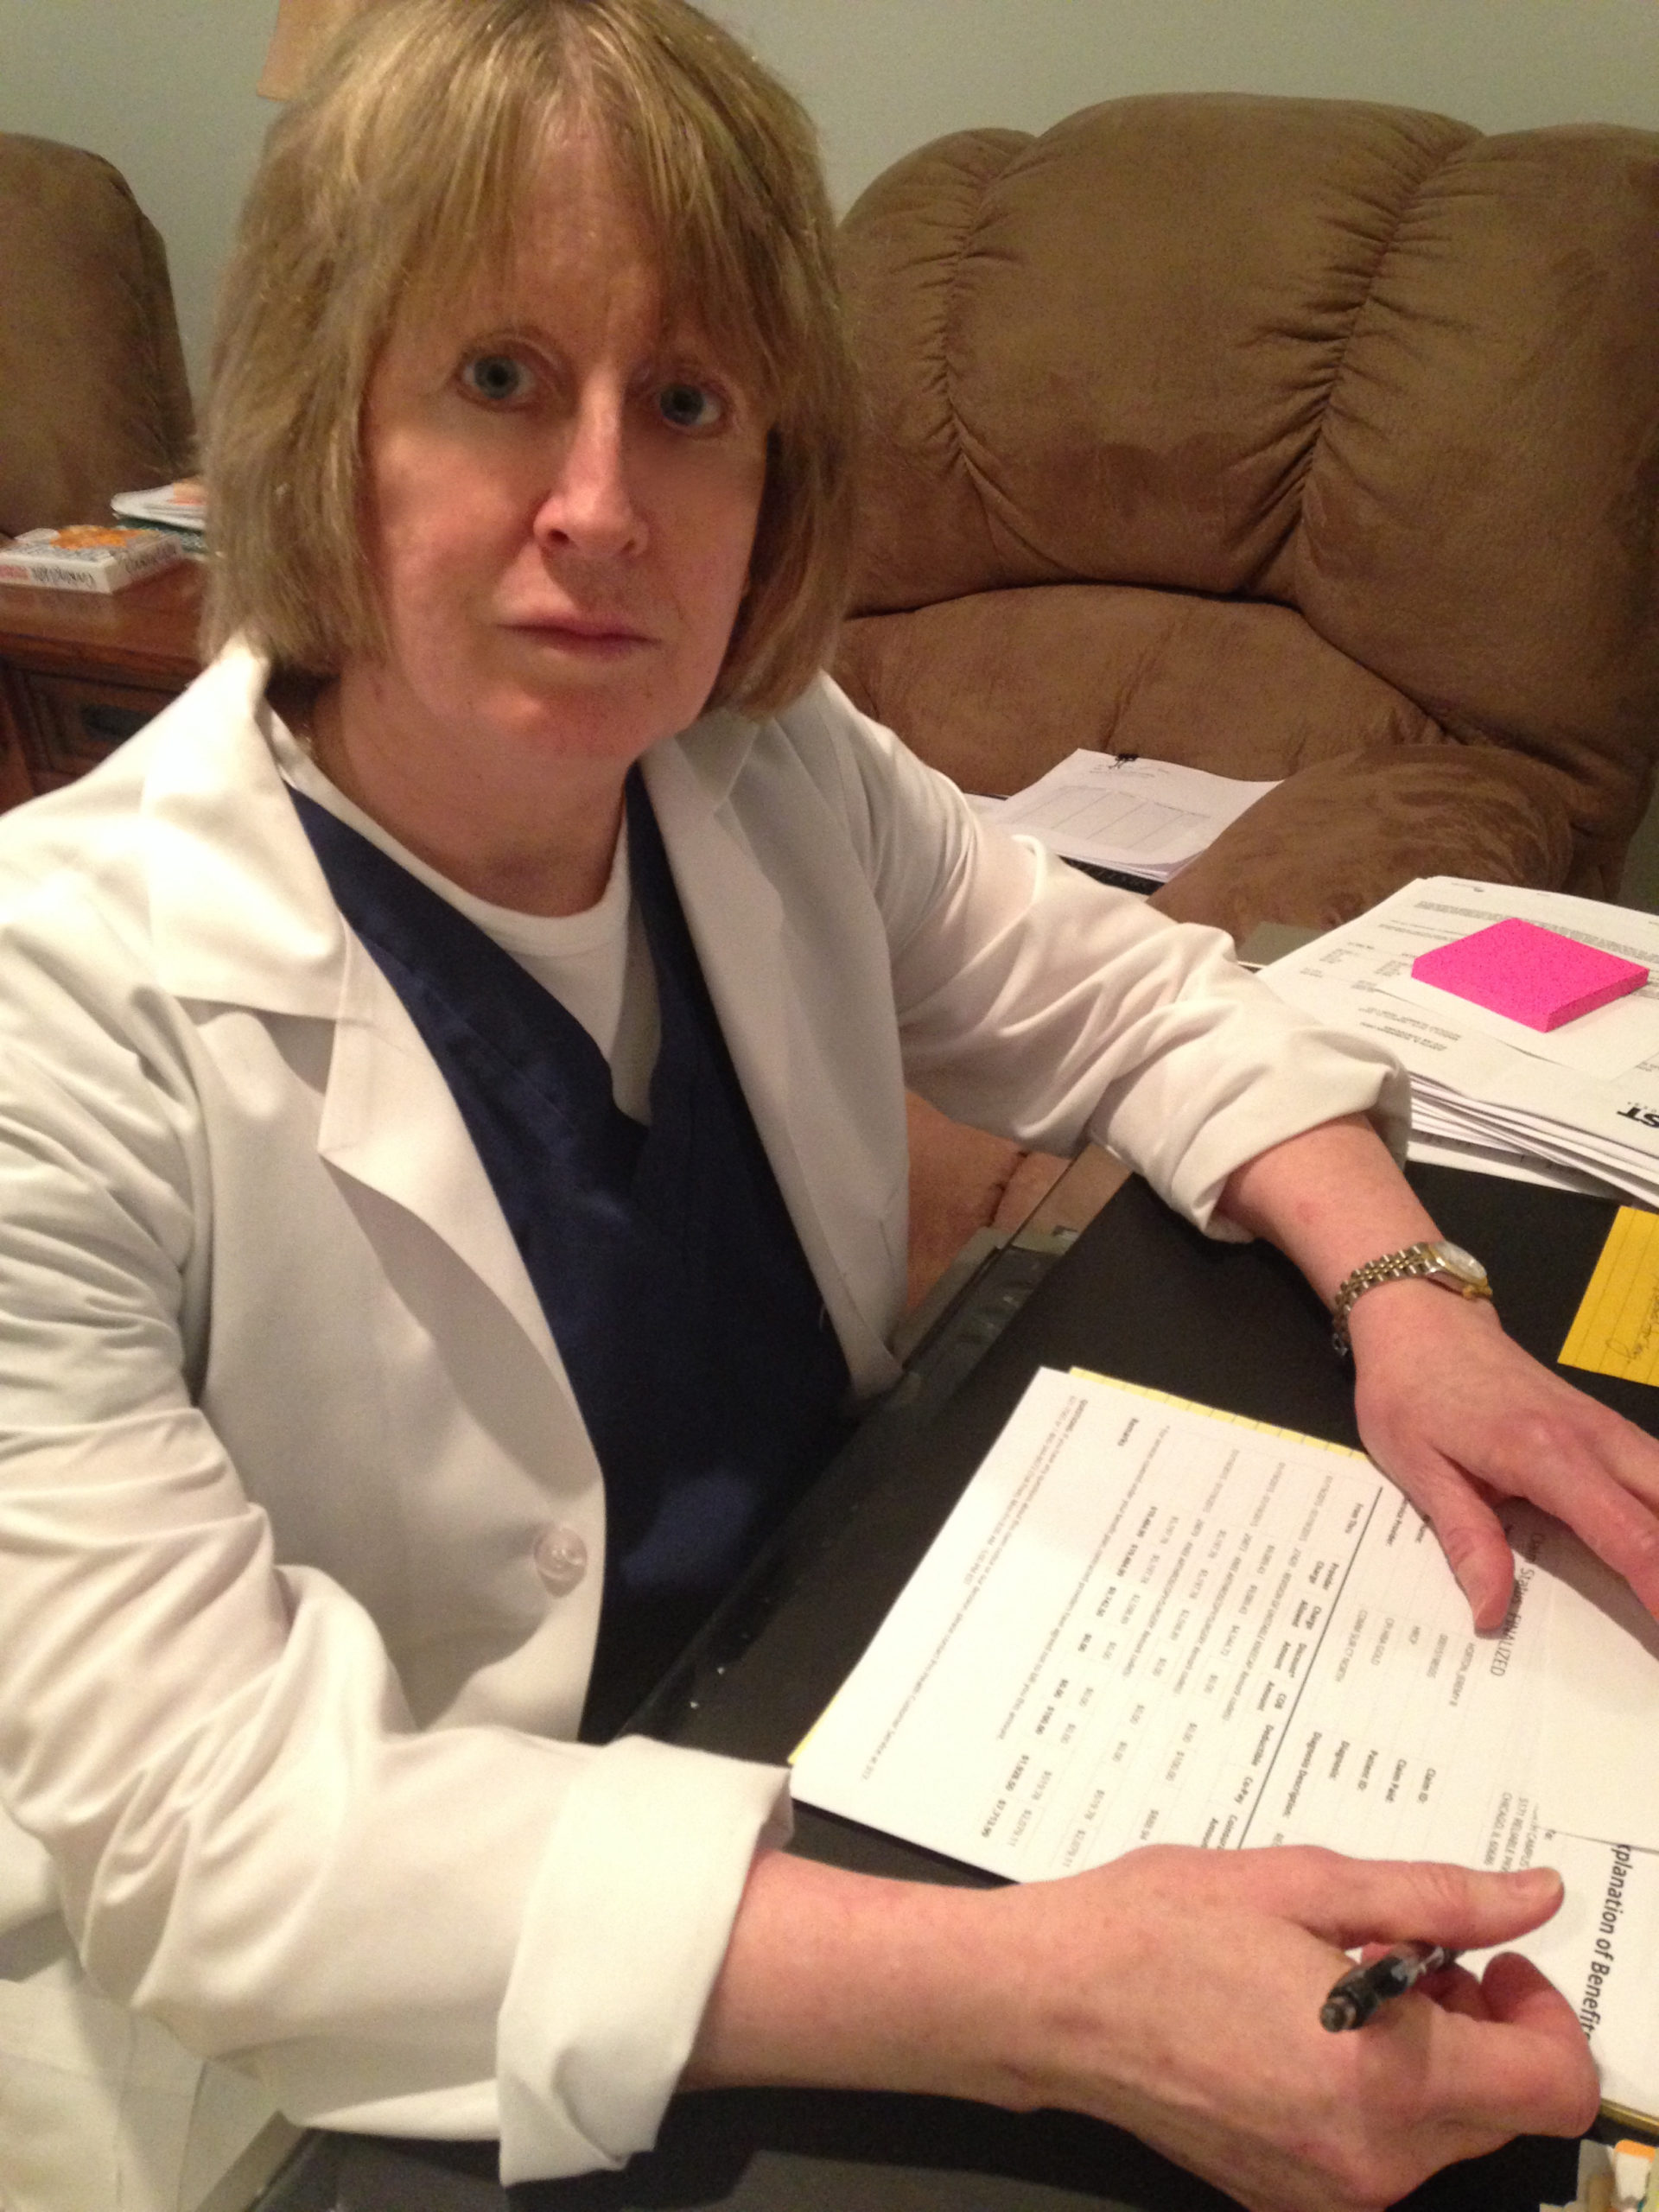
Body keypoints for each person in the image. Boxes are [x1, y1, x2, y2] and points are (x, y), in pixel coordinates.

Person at [0, 3, 1656, 2208]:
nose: (606, 506)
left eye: (689, 402)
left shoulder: (758, 766)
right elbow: (220, 1842)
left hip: (849, 1704)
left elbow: (1131, 994)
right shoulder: (53, 1009)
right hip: (357, 2054)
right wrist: (1068, 1997)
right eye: (499, 374)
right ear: (324, 416)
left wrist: (1411, 1290)